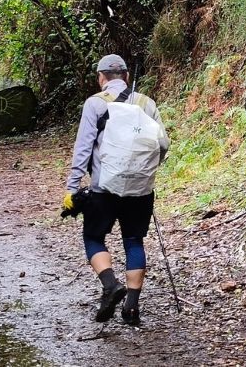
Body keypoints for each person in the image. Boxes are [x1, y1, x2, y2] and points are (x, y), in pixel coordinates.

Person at [62, 54, 169, 326]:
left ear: (101, 78)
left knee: (94, 237)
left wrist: (72, 190)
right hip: (140, 189)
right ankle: (131, 308)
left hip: (103, 188)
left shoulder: (95, 103)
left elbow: (83, 149)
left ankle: (110, 285)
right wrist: (144, 172)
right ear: (126, 77)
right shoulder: (147, 103)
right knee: (134, 240)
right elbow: (163, 145)